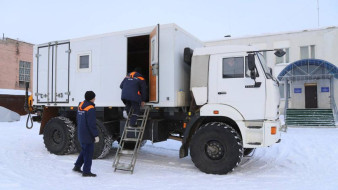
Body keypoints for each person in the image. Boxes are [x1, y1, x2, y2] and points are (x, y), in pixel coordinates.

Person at [73, 91, 99, 177]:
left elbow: (77, 118)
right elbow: (91, 124)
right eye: (94, 97)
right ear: (91, 98)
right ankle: (86, 171)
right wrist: (95, 135)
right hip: (88, 134)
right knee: (88, 153)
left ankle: (77, 166)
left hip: (81, 131)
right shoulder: (90, 108)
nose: (95, 99)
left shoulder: (81, 105)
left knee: (84, 150)